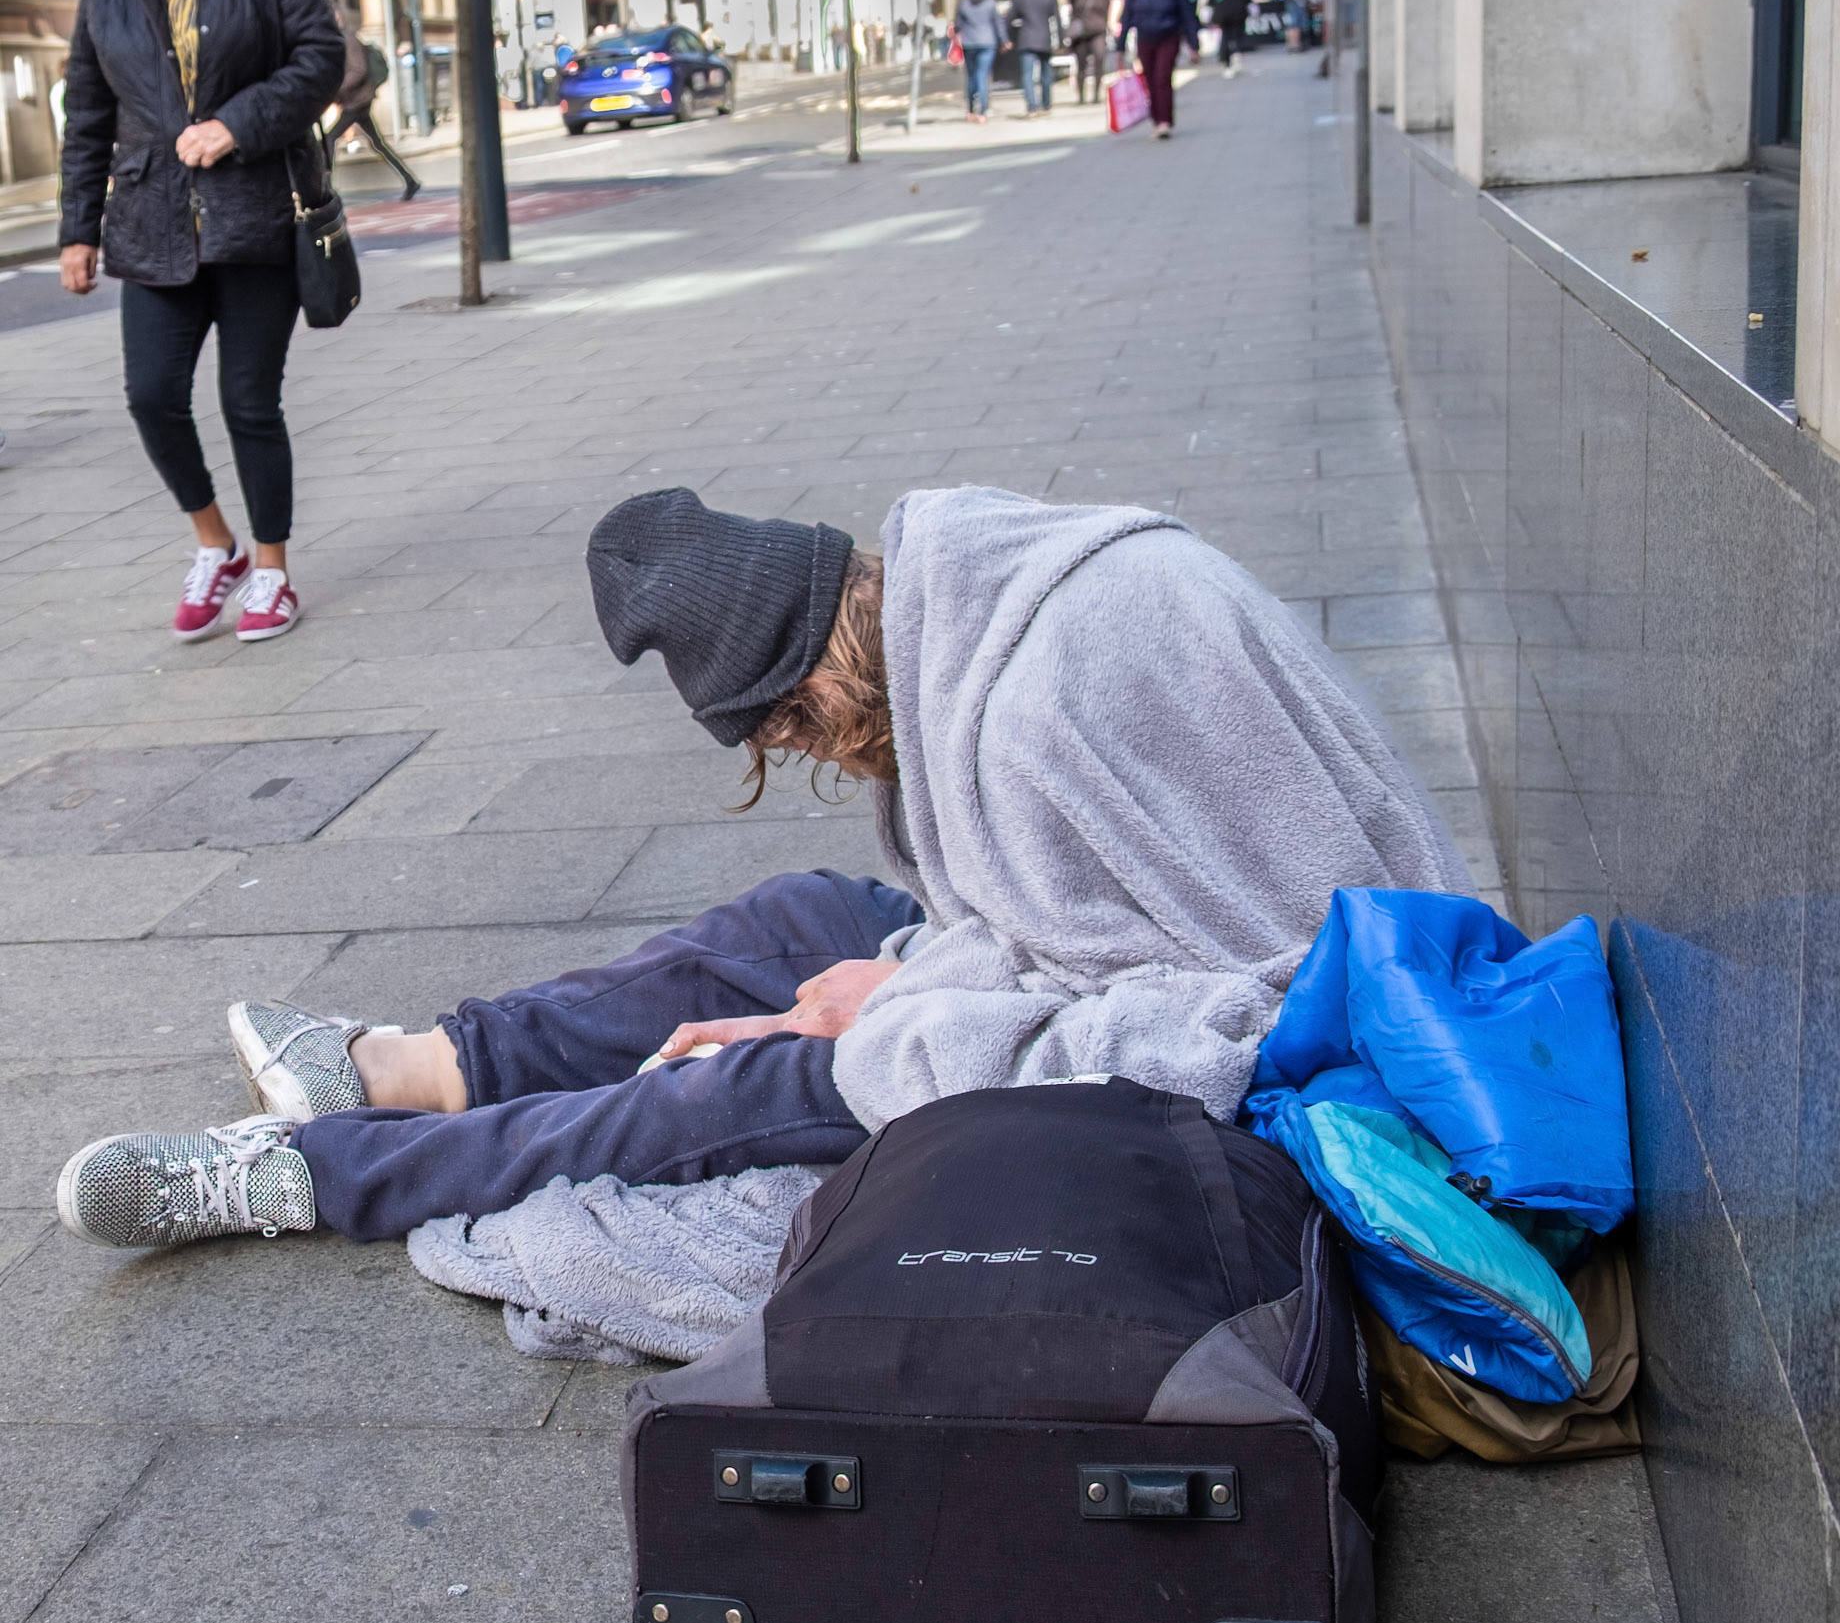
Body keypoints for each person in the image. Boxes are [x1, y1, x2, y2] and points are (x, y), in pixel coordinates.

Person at [54, 485, 1470, 1253]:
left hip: (1303, 1069)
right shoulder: (977, 594)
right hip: (1165, 980)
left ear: (817, 681)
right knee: (809, 921)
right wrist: (910, 965)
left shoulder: (1035, 711)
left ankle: (317, 1170)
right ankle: (404, 1066)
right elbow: (1073, 921)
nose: (821, 756)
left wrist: (903, 1018)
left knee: (757, 1080)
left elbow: (1250, 1011)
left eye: (796, 730)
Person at [57, 0, 345, 644]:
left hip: (255, 215)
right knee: (151, 397)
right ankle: (213, 544)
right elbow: (88, 113)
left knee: (249, 401)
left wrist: (236, 125)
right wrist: (77, 228)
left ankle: (271, 572)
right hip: (150, 222)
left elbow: (321, 56)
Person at [327, 15, 420, 201]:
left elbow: (359, 70)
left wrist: (337, 89)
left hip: (357, 101)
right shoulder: (343, 39)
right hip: (357, 100)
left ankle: (327, 190)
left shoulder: (349, 39)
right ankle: (410, 180)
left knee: (330, 138)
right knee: (377, 143)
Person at [1116, 0, 1200, 138]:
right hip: (1145, 37)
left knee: (1163, 77)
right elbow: (1127, 16)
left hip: (1168, 35)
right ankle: (1156, 119)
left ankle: (1164, 121)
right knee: (1151, 79)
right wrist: (1120, 47)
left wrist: (1193, 45)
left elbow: (1187, 15)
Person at [1006, 0, 1063, 116]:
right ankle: (1046, 104)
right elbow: (1056, 19)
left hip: (1026, 39)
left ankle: (1032, 106)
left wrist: (1007, 38)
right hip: (1044, 38)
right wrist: (1062, 39)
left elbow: (1009, 18)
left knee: (1027, 75)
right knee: (1046, 73)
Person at [952, 0, 1006, 122]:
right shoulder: (989, 3)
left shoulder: (963, 4)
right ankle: (983, 112)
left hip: (969, 44)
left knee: (971, 78)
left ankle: (970, 110)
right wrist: (1004, 40)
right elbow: (997, 23)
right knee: (983, 76)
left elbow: (957, 25)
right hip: (988, 44)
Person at [1064, 0, 1110, 104]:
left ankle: (1096, 94)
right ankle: (1081, 96)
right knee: (1081, 65)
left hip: (1098, 31)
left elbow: (1106, 7)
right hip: (1081, 33)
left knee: (1099, 61)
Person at [1210, 0, 1252, 73]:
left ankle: (1227, 62)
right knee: (1237, 34)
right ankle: (1236, 53)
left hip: (1223, 12)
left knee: (1225, 35)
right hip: (1238, 11)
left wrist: (1212, 7)